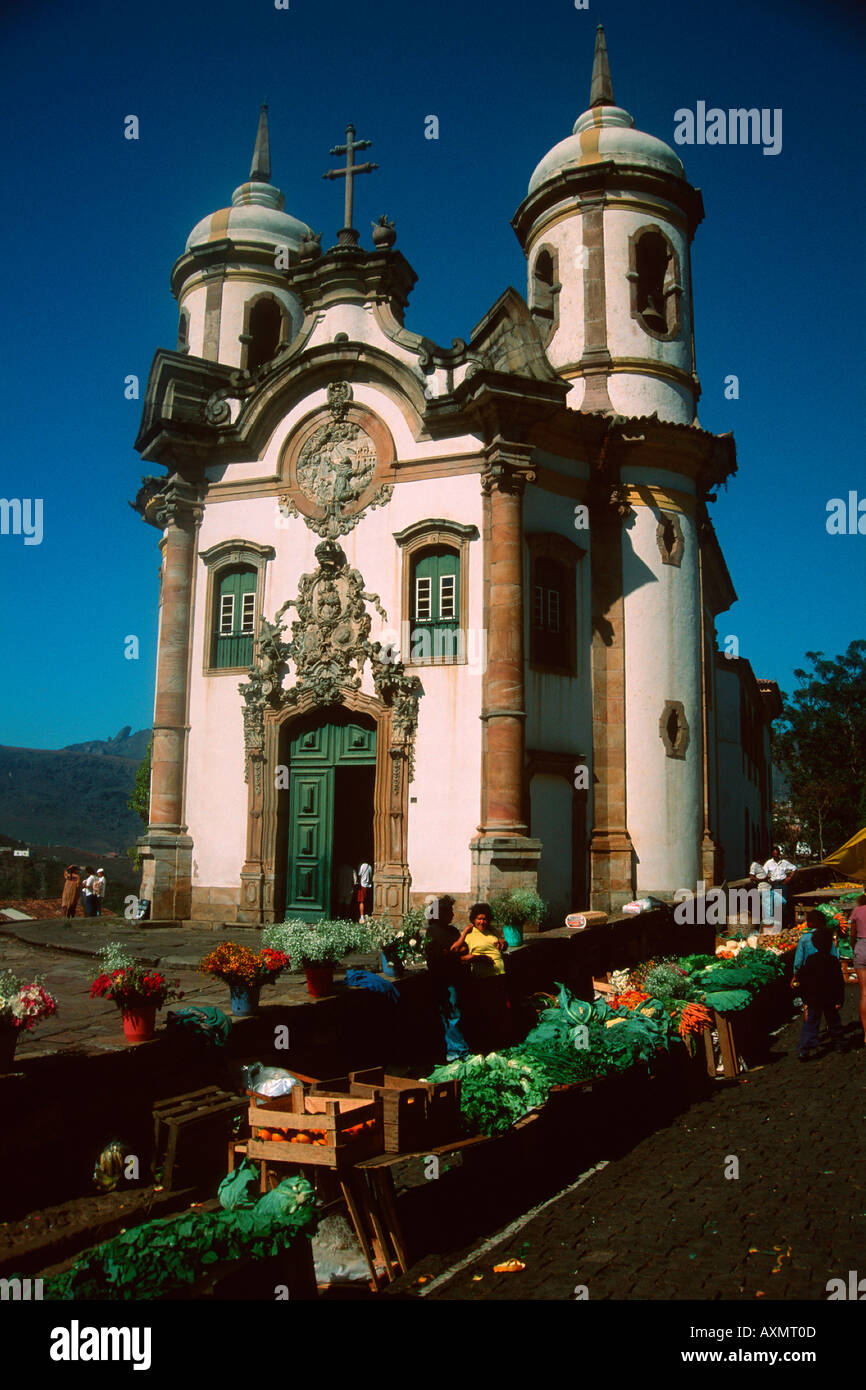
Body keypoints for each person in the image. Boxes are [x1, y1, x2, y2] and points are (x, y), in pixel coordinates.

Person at [450, 902, 510, 1051]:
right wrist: (477, 958)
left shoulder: (492, 931)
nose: (482, 922)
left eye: (484, 919)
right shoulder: (470, 935)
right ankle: (486, 1046)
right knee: (485, 1012)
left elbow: (501, 946)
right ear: (473, 919)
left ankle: (500, 1043)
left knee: (499, 1011)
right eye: (479, 919)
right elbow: (457, 954)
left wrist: (503, 943)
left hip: (499, 976)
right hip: (482, 979)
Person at [424, 895, 470, 1062]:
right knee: (451, 1015)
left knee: (454, 1014)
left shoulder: (451, 930)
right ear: (440, 913)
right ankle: (458, 1052)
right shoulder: (434, 931)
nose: (452, 914)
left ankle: (456, 1050)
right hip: (443, 980)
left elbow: (462, 948)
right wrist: (458, 945)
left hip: (454, 977)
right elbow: (452, 950)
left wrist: (454, 949)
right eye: (449, 911)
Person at [794, 923, 845, 1061]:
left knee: (811, 1024)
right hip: (830, 997)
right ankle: (839, 1044)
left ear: (815, 944)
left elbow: (804, 980)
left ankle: (804, 1050)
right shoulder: (833, 961)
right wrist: (840, 999)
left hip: (814, 998)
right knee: (834, 1022)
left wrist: (805, 998)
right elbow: (839, 982)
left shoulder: (810, 960)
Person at [761, 845, 796, 931]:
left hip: (783, 884)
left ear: (779, 854)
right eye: (774, 855)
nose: (776, 856)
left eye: (777, 854)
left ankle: (784, 924)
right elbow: (763, 873)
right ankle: (775, 926)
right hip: (774, 885)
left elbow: (794, 868)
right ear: (772, 855)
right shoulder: (768, 863)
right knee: (774, 905)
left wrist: (790, 878)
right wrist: (768, 879)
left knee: (783, 904)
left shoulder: (784, 862)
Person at [849, 893, 866, 1047]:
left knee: (864, 992)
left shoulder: (857, 910)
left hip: (861, 947)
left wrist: (853, 946)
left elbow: (852, 934)